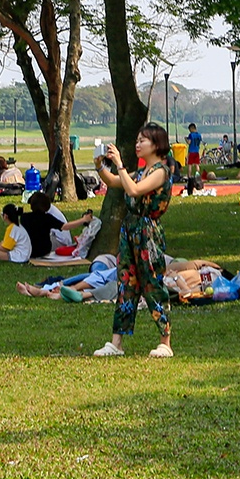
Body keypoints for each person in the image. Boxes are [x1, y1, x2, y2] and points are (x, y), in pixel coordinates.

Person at [91, 124, 176, 358]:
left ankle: (165, 342)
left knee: (153, 284)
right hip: (130, 230)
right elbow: (115, 182)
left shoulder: (161, 171)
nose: (138, 144)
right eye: (137, 140)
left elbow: (135, 190)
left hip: (148, 233)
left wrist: (119, 163)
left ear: (157, 144)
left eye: (143, 141)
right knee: (126, 284)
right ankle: (116, 343)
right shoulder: (141, 172)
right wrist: (100, 165)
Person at [22, 191, 98, 256]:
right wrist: (84, 219)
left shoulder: (25, 217)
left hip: (59, 242)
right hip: (44, 249)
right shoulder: (47, 217)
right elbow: (66, 226)